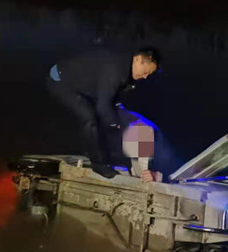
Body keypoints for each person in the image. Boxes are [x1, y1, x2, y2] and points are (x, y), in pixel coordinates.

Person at [46, 47, 161, 178]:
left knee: (126, 119)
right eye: (146, 72)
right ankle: (98, 164)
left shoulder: (126, 70)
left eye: (148, 75)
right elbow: (103, 107)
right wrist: (116, 125)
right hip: (60, 81)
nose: (145, 77)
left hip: (88, 87)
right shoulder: (115, 70)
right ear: (138, 60)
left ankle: (132, 166)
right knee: (90, 119)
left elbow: (112, 97)